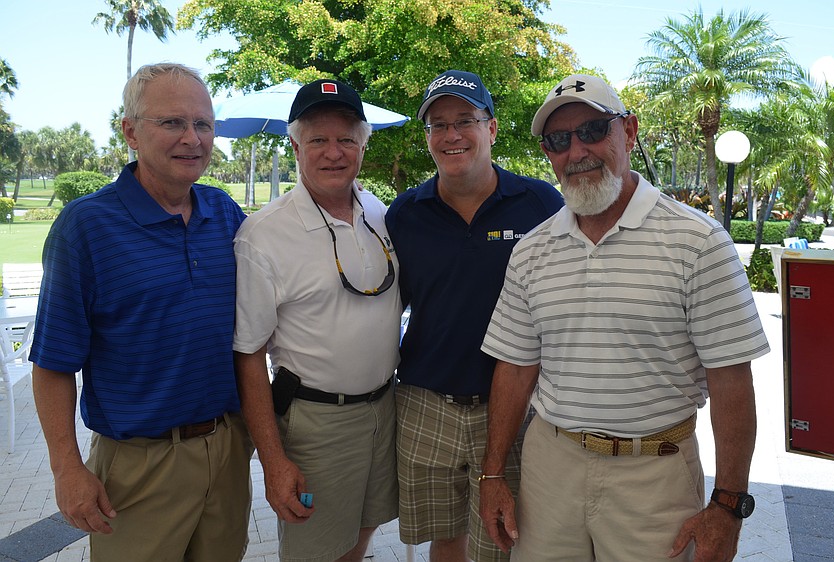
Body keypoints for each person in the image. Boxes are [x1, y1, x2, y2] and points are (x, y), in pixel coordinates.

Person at [478, 73, 770, 562]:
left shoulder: (698, 242)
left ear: (629, 132)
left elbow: (731, 380)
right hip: (550, 467)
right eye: (559, 140)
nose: (577, 151)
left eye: (593, 130)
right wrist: (492, 475)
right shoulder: (531, 251)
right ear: (547, 152)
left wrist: (728, 504)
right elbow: (515, 367)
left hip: (655, 473)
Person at [29, 63, 254, 561]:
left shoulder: (223, 213)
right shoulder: (86, 227)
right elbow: (53, 363)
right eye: (172, 122)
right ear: (130, 132)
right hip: (139, 465)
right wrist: (67, 468)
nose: (192, 138)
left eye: (203, 124)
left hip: (227, 449)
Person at [385, 70, 564, 562]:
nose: (452, 135)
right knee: (445, 539)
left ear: (492, 128)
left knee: (504, 539)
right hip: (425, 401)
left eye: (465, 120)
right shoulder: (404, 214)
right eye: (438, 125)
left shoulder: (541, 203)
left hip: (515, 406)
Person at [232, 79, 401, 562]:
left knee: (363, 529)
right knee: (316, 549)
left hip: (384, 407)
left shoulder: (377, 212)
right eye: (318, 139)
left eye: (347, 138)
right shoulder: (263, 235)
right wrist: (273, 461)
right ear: (294, 146)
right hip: (316, 423)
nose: (334, 152)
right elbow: (248, 356)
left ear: (364, 145)